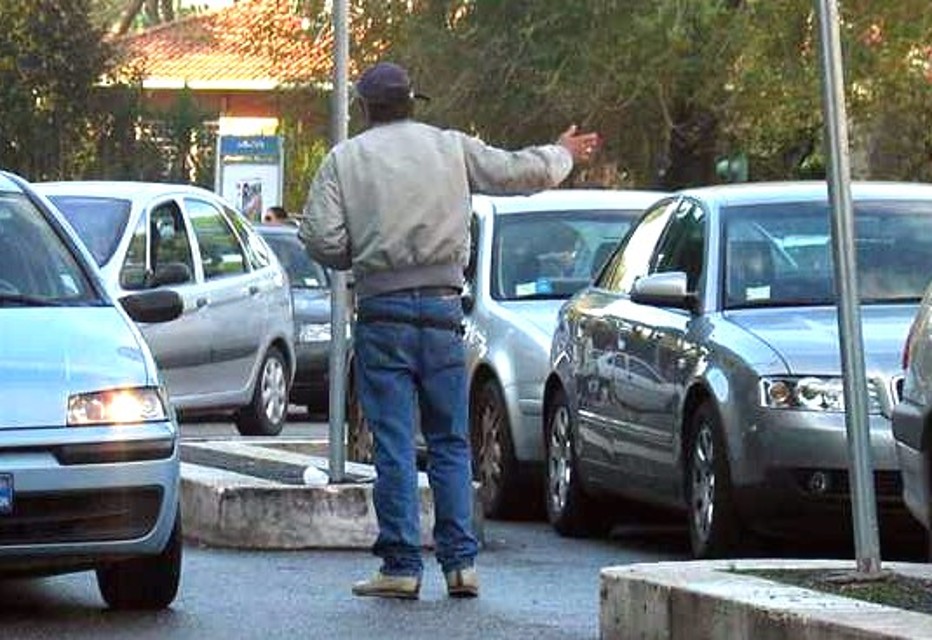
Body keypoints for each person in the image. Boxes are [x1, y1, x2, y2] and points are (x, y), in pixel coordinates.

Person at [298, 61, 599, 601]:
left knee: (392, 441)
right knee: (450, 441)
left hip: (381, 310)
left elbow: (319, 236)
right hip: (441, 310)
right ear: (414, 102)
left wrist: (361, 257)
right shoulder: (452, 147)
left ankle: (400, 566)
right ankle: (461, 565)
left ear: (365, 108)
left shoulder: (345, 160)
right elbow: (514, 173)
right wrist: (562, 154)